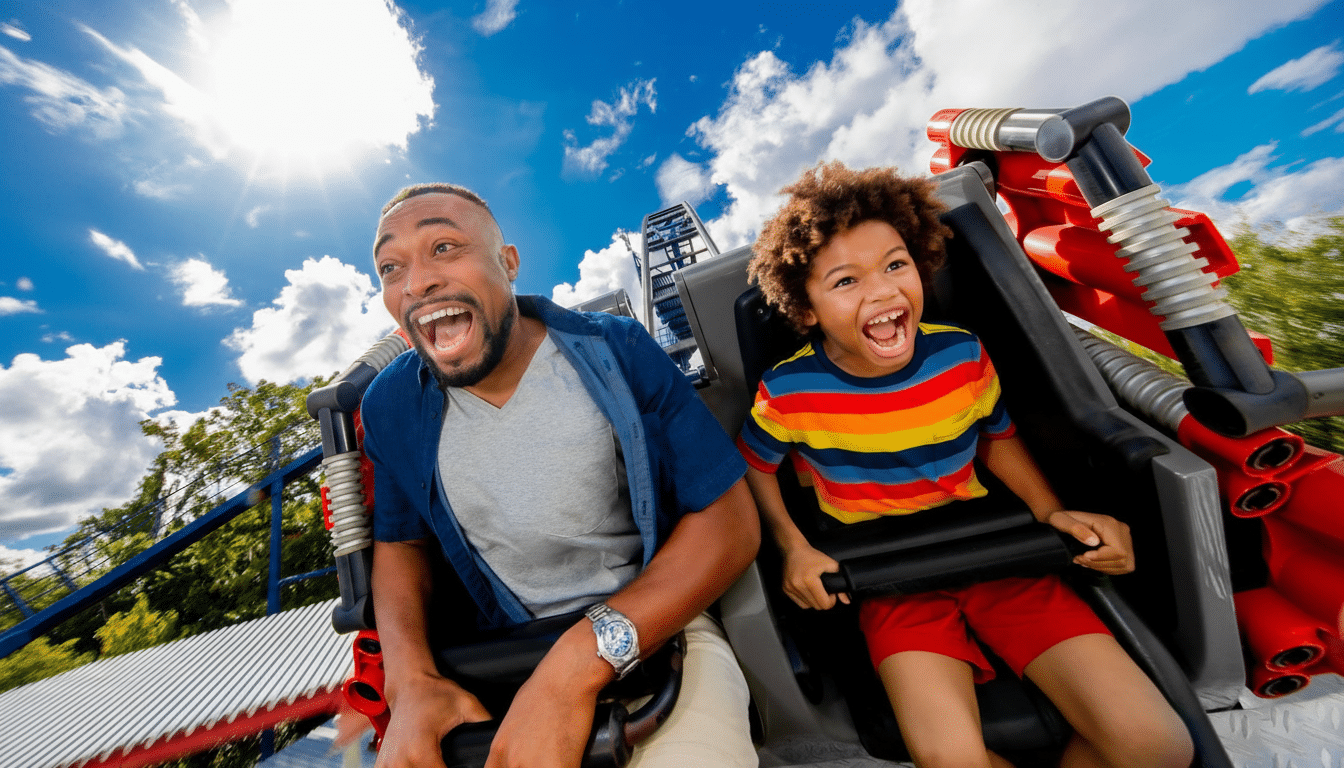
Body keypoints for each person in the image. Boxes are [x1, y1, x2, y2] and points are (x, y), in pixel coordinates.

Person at [737, 162, 1194, 768]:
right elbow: (756, 467)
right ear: (806, 309)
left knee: (1157, 745)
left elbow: (995, 438)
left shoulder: (961, 353)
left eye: (896, 265)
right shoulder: (788, 390)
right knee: (952, 759)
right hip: (886, 575)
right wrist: (794, 548)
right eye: (846, 281)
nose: (882, 291)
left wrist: (1051, 511)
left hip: (993, 552)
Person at [363, 182, 761, 768]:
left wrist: (574, 668)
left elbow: (730, 521)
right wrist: (411, 683)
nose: (416, 281)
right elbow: (399, 545)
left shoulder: (617, 349)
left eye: (444, 247)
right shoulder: (391, 405)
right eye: (391, 267)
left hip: (662, 627)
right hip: (505, 651)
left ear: (509, 262)